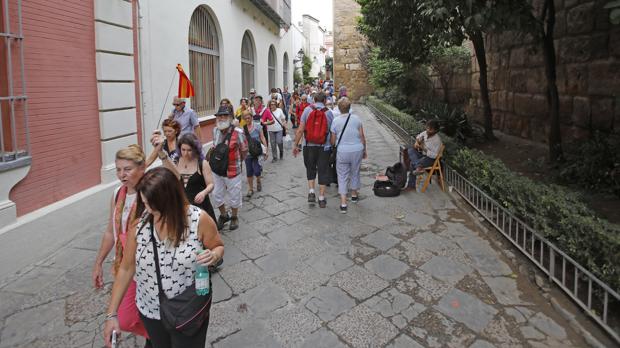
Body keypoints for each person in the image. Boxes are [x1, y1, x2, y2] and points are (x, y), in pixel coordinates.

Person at [102, 167, 224, 348]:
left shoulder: (199, 220)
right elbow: (126, 269)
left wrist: (213, 255)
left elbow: (218, 246)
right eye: (145, 203)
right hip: (151, 312)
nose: (149, 212)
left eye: (154, 207)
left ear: (171, 200)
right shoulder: (139, 227)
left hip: (188, 308)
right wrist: (111, 314)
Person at [92, 145, 150, 345]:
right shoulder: (118, 193)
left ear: (142, 168)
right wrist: (99, 262)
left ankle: (159, 338)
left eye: (127, 169)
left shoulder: (150, 193)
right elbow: (111, 231)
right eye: (118, 169)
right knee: (125, 318)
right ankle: (156, 337)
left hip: (145, 267)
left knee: (144, 313)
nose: (121, 175)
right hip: (122, 266)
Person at [292, 92, 334, 208]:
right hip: (324, 147)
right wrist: (333, 145)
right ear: (325, 100)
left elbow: (300, 130)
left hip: (308, 145)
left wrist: (296, 145)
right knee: (323, 170)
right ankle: (321, 198)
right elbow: (332, 132)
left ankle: (311, 191)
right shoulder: (329, 113)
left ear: (314, 100)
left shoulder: (307, 110)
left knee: (310, 168)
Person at [211, 105, 248, 231]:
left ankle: (234, 217)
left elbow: (244, 150)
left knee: (234, 195)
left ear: (231, 117)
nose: (221, 118)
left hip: (233, 170)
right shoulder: (215, 130)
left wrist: (237, 162)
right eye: (219, 116)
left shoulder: (238, 133)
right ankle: (223, 215)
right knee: (216, 194)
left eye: (225, 115)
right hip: (217, 170)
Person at [330, 97, 367, 214]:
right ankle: (354, 195)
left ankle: (343, 203)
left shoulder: (335, 121)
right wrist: (364, 150)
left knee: (342, 175)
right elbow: (362, 136)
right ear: (349, 108)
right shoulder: (357, 119)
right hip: (357, 149)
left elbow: (332, 140)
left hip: (342, 151)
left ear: (339, 109)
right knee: (355, 171)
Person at [406, 119, 443, 189]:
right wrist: (417, 142)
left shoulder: (437, 140)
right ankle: (418, 167)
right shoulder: (425, 133)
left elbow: (435, 155)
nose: (428, 130)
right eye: (427, 128)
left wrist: (424, 149)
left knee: (411, 164)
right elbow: (418, 137)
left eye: (430, 129)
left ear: (435, 130)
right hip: (423, 155)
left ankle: (411, 186)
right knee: (410, 149)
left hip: (431, 159)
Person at [242, 110, 268, 197]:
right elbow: (242, 141)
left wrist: (266, 149)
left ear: (252, 117)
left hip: (257, 152)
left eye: (249, 118)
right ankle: (250, 189)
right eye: (245, 118)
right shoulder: (243, 129)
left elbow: (262, 137)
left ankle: (258, 180)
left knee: (257, 170)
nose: (247, 120)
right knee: (249, 171)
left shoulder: (257, 126)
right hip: (248, 153)